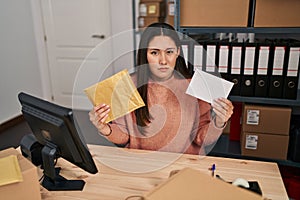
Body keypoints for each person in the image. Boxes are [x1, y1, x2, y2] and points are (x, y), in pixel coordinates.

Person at [89, 22, 234, 155]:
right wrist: (104, 128)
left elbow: (201, 139)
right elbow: (123, 136)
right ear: (145, 54)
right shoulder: (127, 85)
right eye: (154, 52)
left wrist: (219, 121)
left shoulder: (195, 86)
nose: (163, 61)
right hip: (141, 163)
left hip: (184, 165)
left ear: (177, 52)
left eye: (169, 52)